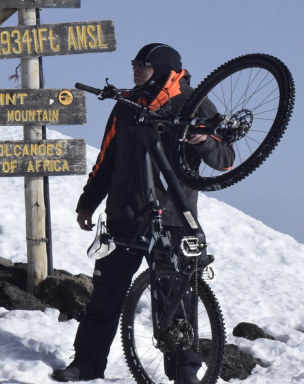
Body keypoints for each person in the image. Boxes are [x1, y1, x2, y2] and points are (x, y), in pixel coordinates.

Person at [52, 44, 234, 383]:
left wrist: (201, 139)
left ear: (164, 69)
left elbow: (225, 159)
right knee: (105, 296)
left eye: (143, 64)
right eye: (134, 63)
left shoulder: (194, 102)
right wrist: (88, 201)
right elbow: (107, 158)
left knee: (176, 303)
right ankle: (87, 364)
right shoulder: (127, 104)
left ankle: (184, 374)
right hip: (123, 215)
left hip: (175, 221)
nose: (135, 69)